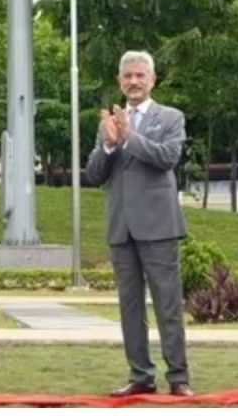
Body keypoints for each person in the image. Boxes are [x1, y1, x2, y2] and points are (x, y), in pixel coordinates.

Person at [84, 50, 193, 397]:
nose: (133, 82)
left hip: (159, 226)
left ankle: (179, 376)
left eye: (139, 76)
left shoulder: (170, 117)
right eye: (127, 76)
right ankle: (140, 375)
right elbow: (93, 174)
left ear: (152, 80)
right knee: (130, 306)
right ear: (120, 81)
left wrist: (130, 137)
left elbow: (167, 159)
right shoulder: (108, 123)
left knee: (168, 304)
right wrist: (111, 145)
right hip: (121, 227)